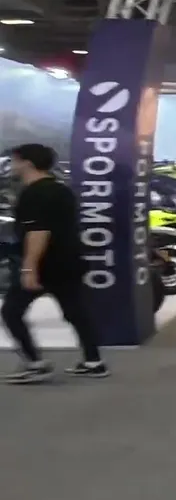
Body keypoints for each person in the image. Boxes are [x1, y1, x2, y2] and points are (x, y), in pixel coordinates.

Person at [0, 143, 108, 383]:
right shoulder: (61, 190)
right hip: (69, 261)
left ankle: (36, 364)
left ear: (27, 163)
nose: (12, 166)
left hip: (46, 264)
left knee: (11, 311)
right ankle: (94, 362)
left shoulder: (34, 193)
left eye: (15, 161)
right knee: (76, 312)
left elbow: (38, 233)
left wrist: (29, 268)